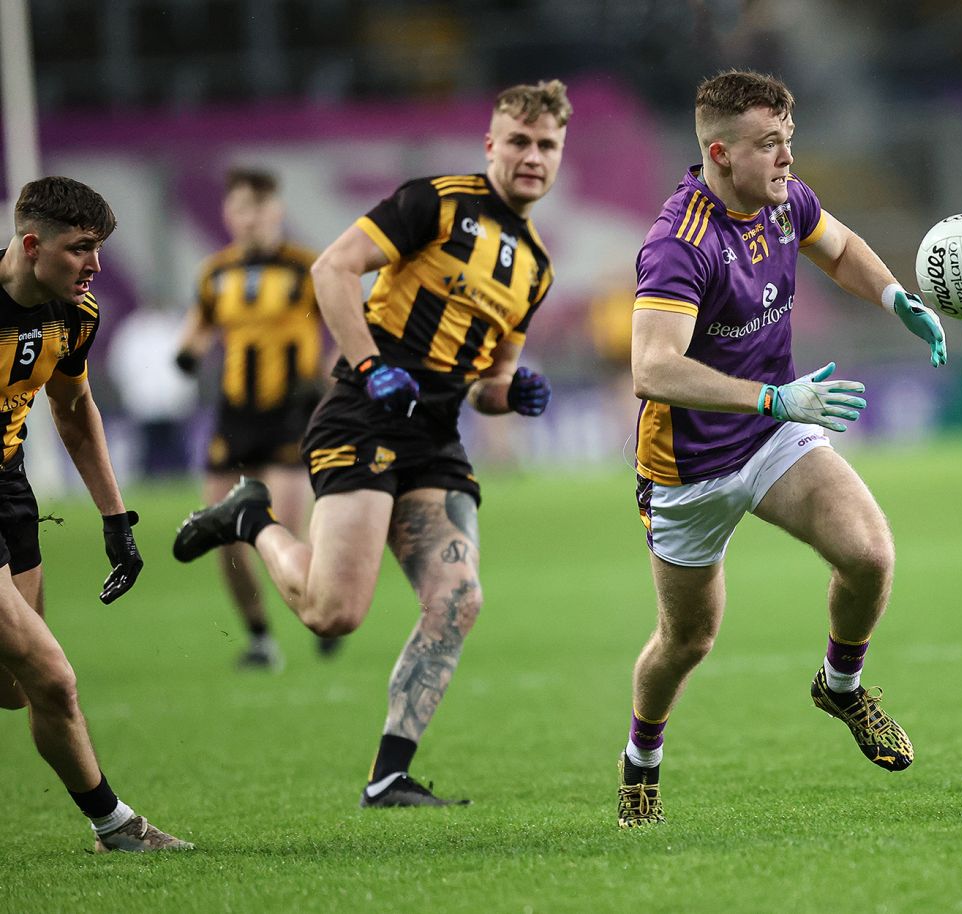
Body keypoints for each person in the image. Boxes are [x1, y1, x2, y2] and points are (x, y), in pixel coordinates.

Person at [173, 80, 571, 807]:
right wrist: (368, 363)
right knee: (334, 614)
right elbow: (333, 268)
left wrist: (513, 393)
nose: (532, 156)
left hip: (437, 438)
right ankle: (250, 517)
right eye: (518, 140)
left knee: (458, 600)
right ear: (491, 144)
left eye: (546, 145)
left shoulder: (538, 265)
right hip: (364, 414)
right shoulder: (436, 201)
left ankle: (389, 774)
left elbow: (492, 380)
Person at [615, 70, 947, 828]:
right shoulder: (678, 244)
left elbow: (837, 247)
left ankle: (840, 684)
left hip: (773, 434)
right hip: (689, 468)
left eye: (789, 141)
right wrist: (774, 396)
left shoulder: (782, 200)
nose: (788, 159)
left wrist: (898, 298)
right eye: (771, 145)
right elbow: (652, 368)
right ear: (720, 152)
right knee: (687, 639)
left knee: (868, 552)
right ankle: (641, 764)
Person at [0, 176, 191, 852]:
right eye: (81, 248)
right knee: (54, 677)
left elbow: (74, 407)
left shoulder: (73, 316)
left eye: (99, 249)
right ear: (31, 245)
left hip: (9, 493)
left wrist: (116, 519)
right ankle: (117, 827)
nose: (97, 266)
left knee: (14, 690)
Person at [174, 168, 334, 670]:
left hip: (291, 413)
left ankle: (326, 603)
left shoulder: (309, 268)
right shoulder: (215, 273)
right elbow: (199, 327)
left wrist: (333, 376)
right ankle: (260, 636)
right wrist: (188, 351)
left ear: (278, 210)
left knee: (283, 524)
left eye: (260, 208)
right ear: (228, 214)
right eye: (242, 208)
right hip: (234, 416)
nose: (251, 219)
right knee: (223, 533)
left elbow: (346, 326)